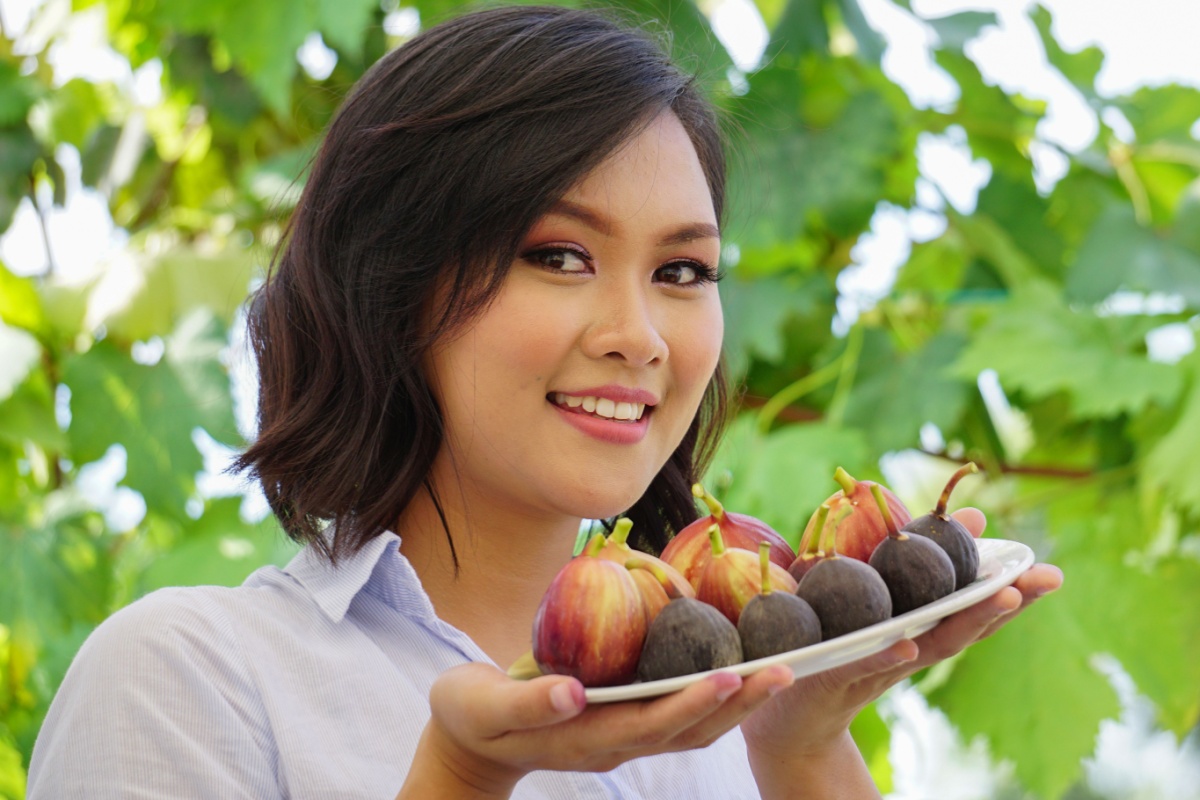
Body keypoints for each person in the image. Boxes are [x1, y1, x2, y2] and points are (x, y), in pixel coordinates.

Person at [27, 5, 1063, 798]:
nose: (640, 334)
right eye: (560, 256)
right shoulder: (186, 674)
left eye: (683, 271)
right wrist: (461, 776)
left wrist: (806, 746)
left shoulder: (720, 722)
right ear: (391, 283)